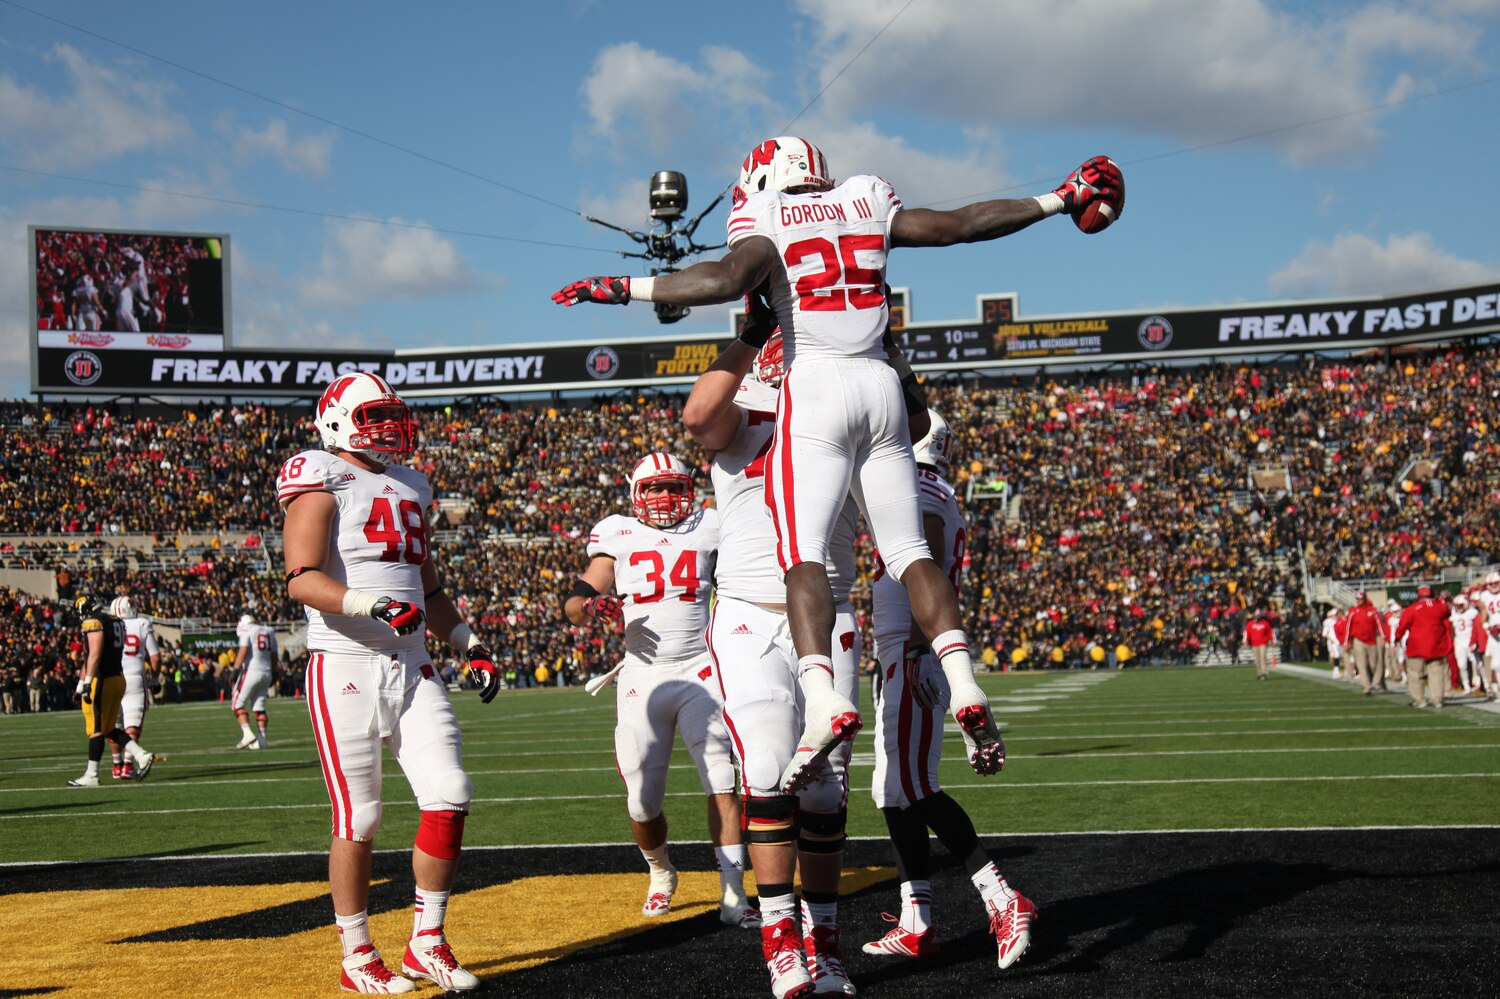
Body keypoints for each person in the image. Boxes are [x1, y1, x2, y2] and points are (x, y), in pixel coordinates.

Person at [555, 138, 1121, 791]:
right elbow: (963, 225)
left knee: (802, 552)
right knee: (910, 552)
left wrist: (619, 288)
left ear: (767, 177)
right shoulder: (865, 197)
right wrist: (1059, 198)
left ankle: (823, 697)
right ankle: (965, 679)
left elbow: (722, 280)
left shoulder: (770, 219)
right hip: (880, 383)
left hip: (817, 385)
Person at [279, 371, 500, 994]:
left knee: (450, 791)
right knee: (360, 815)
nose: (389, 428)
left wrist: (468, 643)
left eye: (392, 415)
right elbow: (301, 578)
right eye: (374, 416)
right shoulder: (320, 475)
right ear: (336, 420)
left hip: (413, 664)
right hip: (345, 664)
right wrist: (367, 603)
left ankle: (426, 940)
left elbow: (427, 589)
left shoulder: (411, 484)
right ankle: (356, 954)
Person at [683, 324, 869, 997]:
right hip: (751, 615)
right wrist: (749, 333)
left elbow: (914, 426)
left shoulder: (855, 410)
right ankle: (780, 935)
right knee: (763, 767)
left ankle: (826, 943)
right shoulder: (747, 409)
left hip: (830, 613)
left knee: (823, 789)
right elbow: (699, 414)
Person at [860, 410, 1036, 972]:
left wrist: (914, 646)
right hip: (903, 647)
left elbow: (924, 555)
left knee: (914, 784)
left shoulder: (916, 482)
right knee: (891, 789)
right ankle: (916, 921)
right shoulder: (929, 480)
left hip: (912, 648)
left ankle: (1002, 897)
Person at [561, 452, 756, 930]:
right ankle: (661, 871)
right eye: (654, 489)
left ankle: (733, 891)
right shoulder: (617, 532)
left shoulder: (712, 525)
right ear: (636, 494)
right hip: (642, 674)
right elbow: (577, 598)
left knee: (721, 778)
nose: (666, 498)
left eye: (674, 487)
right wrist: (590, 607)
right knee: (641, 801)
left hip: (701, 668)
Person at [67, 595, 155, 787]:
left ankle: (91, 774)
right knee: (109, 729)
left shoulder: (95, 622)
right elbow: (89, 657)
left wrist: (87, 683)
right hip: (118, 677)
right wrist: (80, 685)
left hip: (103, 679)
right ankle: (141, 755)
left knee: (97, 729)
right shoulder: (116, 621)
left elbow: (94, 655)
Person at [111, 595, 161, 778]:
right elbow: (155, 656)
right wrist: (155, 680)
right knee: (132, 724)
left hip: (113, 678)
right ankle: (128, 765)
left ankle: (117, 765)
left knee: (114, 724)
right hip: (134, 678)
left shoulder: (110, 625)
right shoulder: (141, 623)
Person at [1394, 585, 1452, 710]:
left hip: (1417, 646)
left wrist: (1398, 637)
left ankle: (1419, 699)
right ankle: (1437, 700)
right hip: (1437, 645)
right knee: (1436, 673)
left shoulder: (1412, 609)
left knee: (1415, 674)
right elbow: (1448, 613)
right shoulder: (1440, 607)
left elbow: (1402, 625)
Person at [231, 611, 278, 749]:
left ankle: (247, 733)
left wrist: (235, 669)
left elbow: (244, 650)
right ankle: (262, 740)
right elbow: (275, 654)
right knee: (259, 706)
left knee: (237, 703)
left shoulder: (247, 630)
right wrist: (274, 672)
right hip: (267, 671)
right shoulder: (269, 630)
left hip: (251, 671)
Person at [1344, 591, 1385, 696]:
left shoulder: (1373, 610)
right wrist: (1347, 642)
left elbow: (1379, 624)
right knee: (1361, 664)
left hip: (1372, 640)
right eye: (1357, 599)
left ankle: (1371, 680)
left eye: (1361, 599)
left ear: (1365, 599)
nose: (1359, 601)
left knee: (1373, 664)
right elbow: (1348, 628)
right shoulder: (1353, 611)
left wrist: (1383, 637)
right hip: (1358, 640)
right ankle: (1367, 687)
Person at [1449, 594, 1482, 696]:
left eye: (1461, 605)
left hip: (1470, 640)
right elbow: (1452, 629)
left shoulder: (1473, 612)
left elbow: (1477, 627)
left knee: (1476, 663)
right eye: (1457, 605)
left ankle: (1477, 683)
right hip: (1459, 641)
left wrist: (1476, 640)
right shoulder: (1453, 615)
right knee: (1461, 665)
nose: (1458, 607)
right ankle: (1466, 685)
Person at [1244, 608, 1277, 681]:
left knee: (1263, 658)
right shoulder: (1250, 624)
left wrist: (1273, 641)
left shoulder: (1265, 623)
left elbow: (1270, 632)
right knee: (1257, 660)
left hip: (1263, 643)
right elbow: (1247, 633)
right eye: (1256, 615)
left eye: (1259, 615)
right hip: (1254, 644)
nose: (1257, 616)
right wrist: (1246, 641)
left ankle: (1264, 673)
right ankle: (1259, 673)